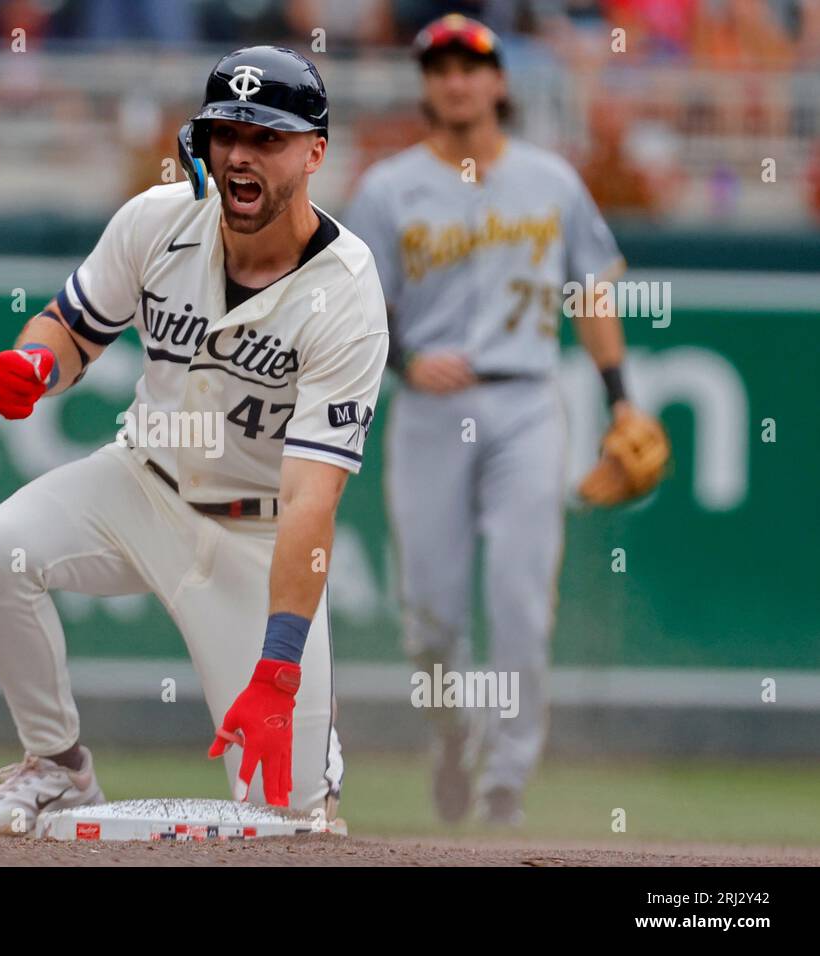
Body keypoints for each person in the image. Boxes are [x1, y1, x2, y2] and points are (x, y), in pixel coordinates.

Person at [0, 46, 389, 835]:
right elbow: (72, 327)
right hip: (141, 482)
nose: (241, 155)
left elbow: (311, 499)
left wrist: (278, 669)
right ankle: (57, 768)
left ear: (316, 151)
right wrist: (37, 361)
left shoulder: (347, 293)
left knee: (291, 823)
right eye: (226, 133)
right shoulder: (159, 218)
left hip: (259, 532)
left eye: (268, 138)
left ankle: (318, 772)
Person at [344, 14, 645, 826]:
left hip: (525, 400)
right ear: (426, 84)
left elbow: (591, 287)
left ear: (500, 81)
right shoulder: (387, 188)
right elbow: (354, 305)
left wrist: (620, 398)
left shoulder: (552, 179)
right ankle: (455, 734)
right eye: (441, 67)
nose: (457, 80)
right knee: (430, 618)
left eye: (471, 66)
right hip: (432, 407)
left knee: (519, 595)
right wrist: (406, 359)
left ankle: (508, 774)